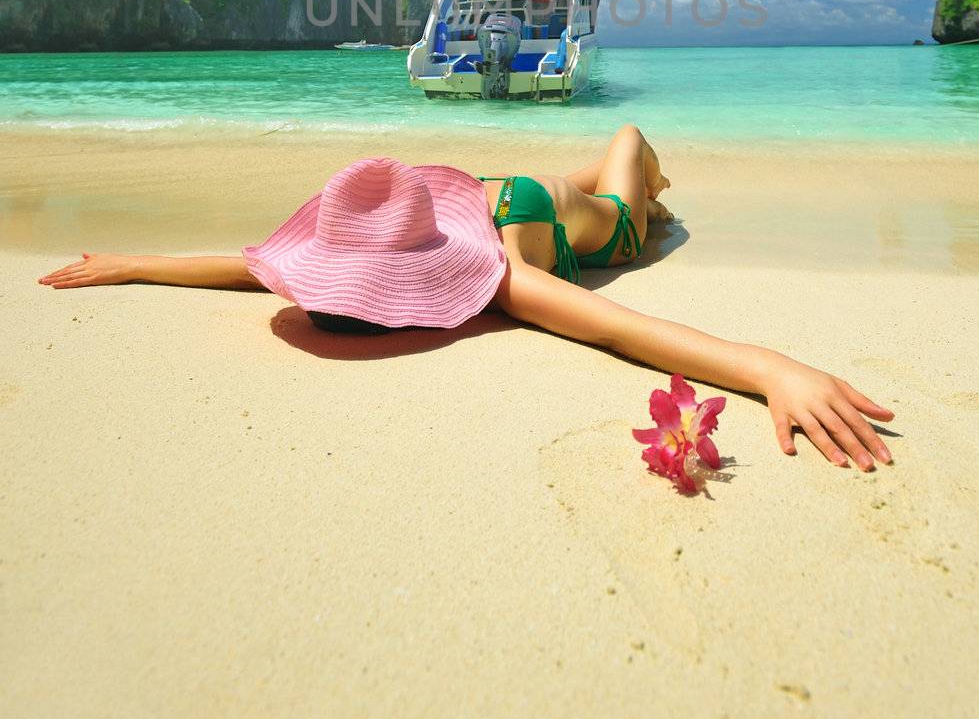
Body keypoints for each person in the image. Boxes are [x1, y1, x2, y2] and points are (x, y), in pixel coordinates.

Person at [38, 124, 894, 473]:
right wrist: (134, 262)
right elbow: (248, 264)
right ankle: (635, 183)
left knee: (629, 156)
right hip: (500, 196)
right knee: (598, 163)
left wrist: (772, 370)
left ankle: (651, 198)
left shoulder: (505, 282)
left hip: (585, 230)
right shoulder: (383, 232)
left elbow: (629, 331)